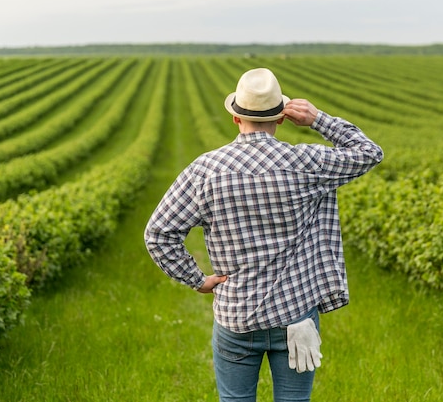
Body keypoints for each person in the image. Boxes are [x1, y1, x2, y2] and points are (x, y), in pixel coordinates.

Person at [144, 67, 383, 401]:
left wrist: (197, 279)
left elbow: (158, 234)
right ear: (282, 118)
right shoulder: (305, 162)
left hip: (236, 315)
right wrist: (317, 119)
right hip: (296, 315)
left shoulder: (205, 170)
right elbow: (370, 152)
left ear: (235, 119)